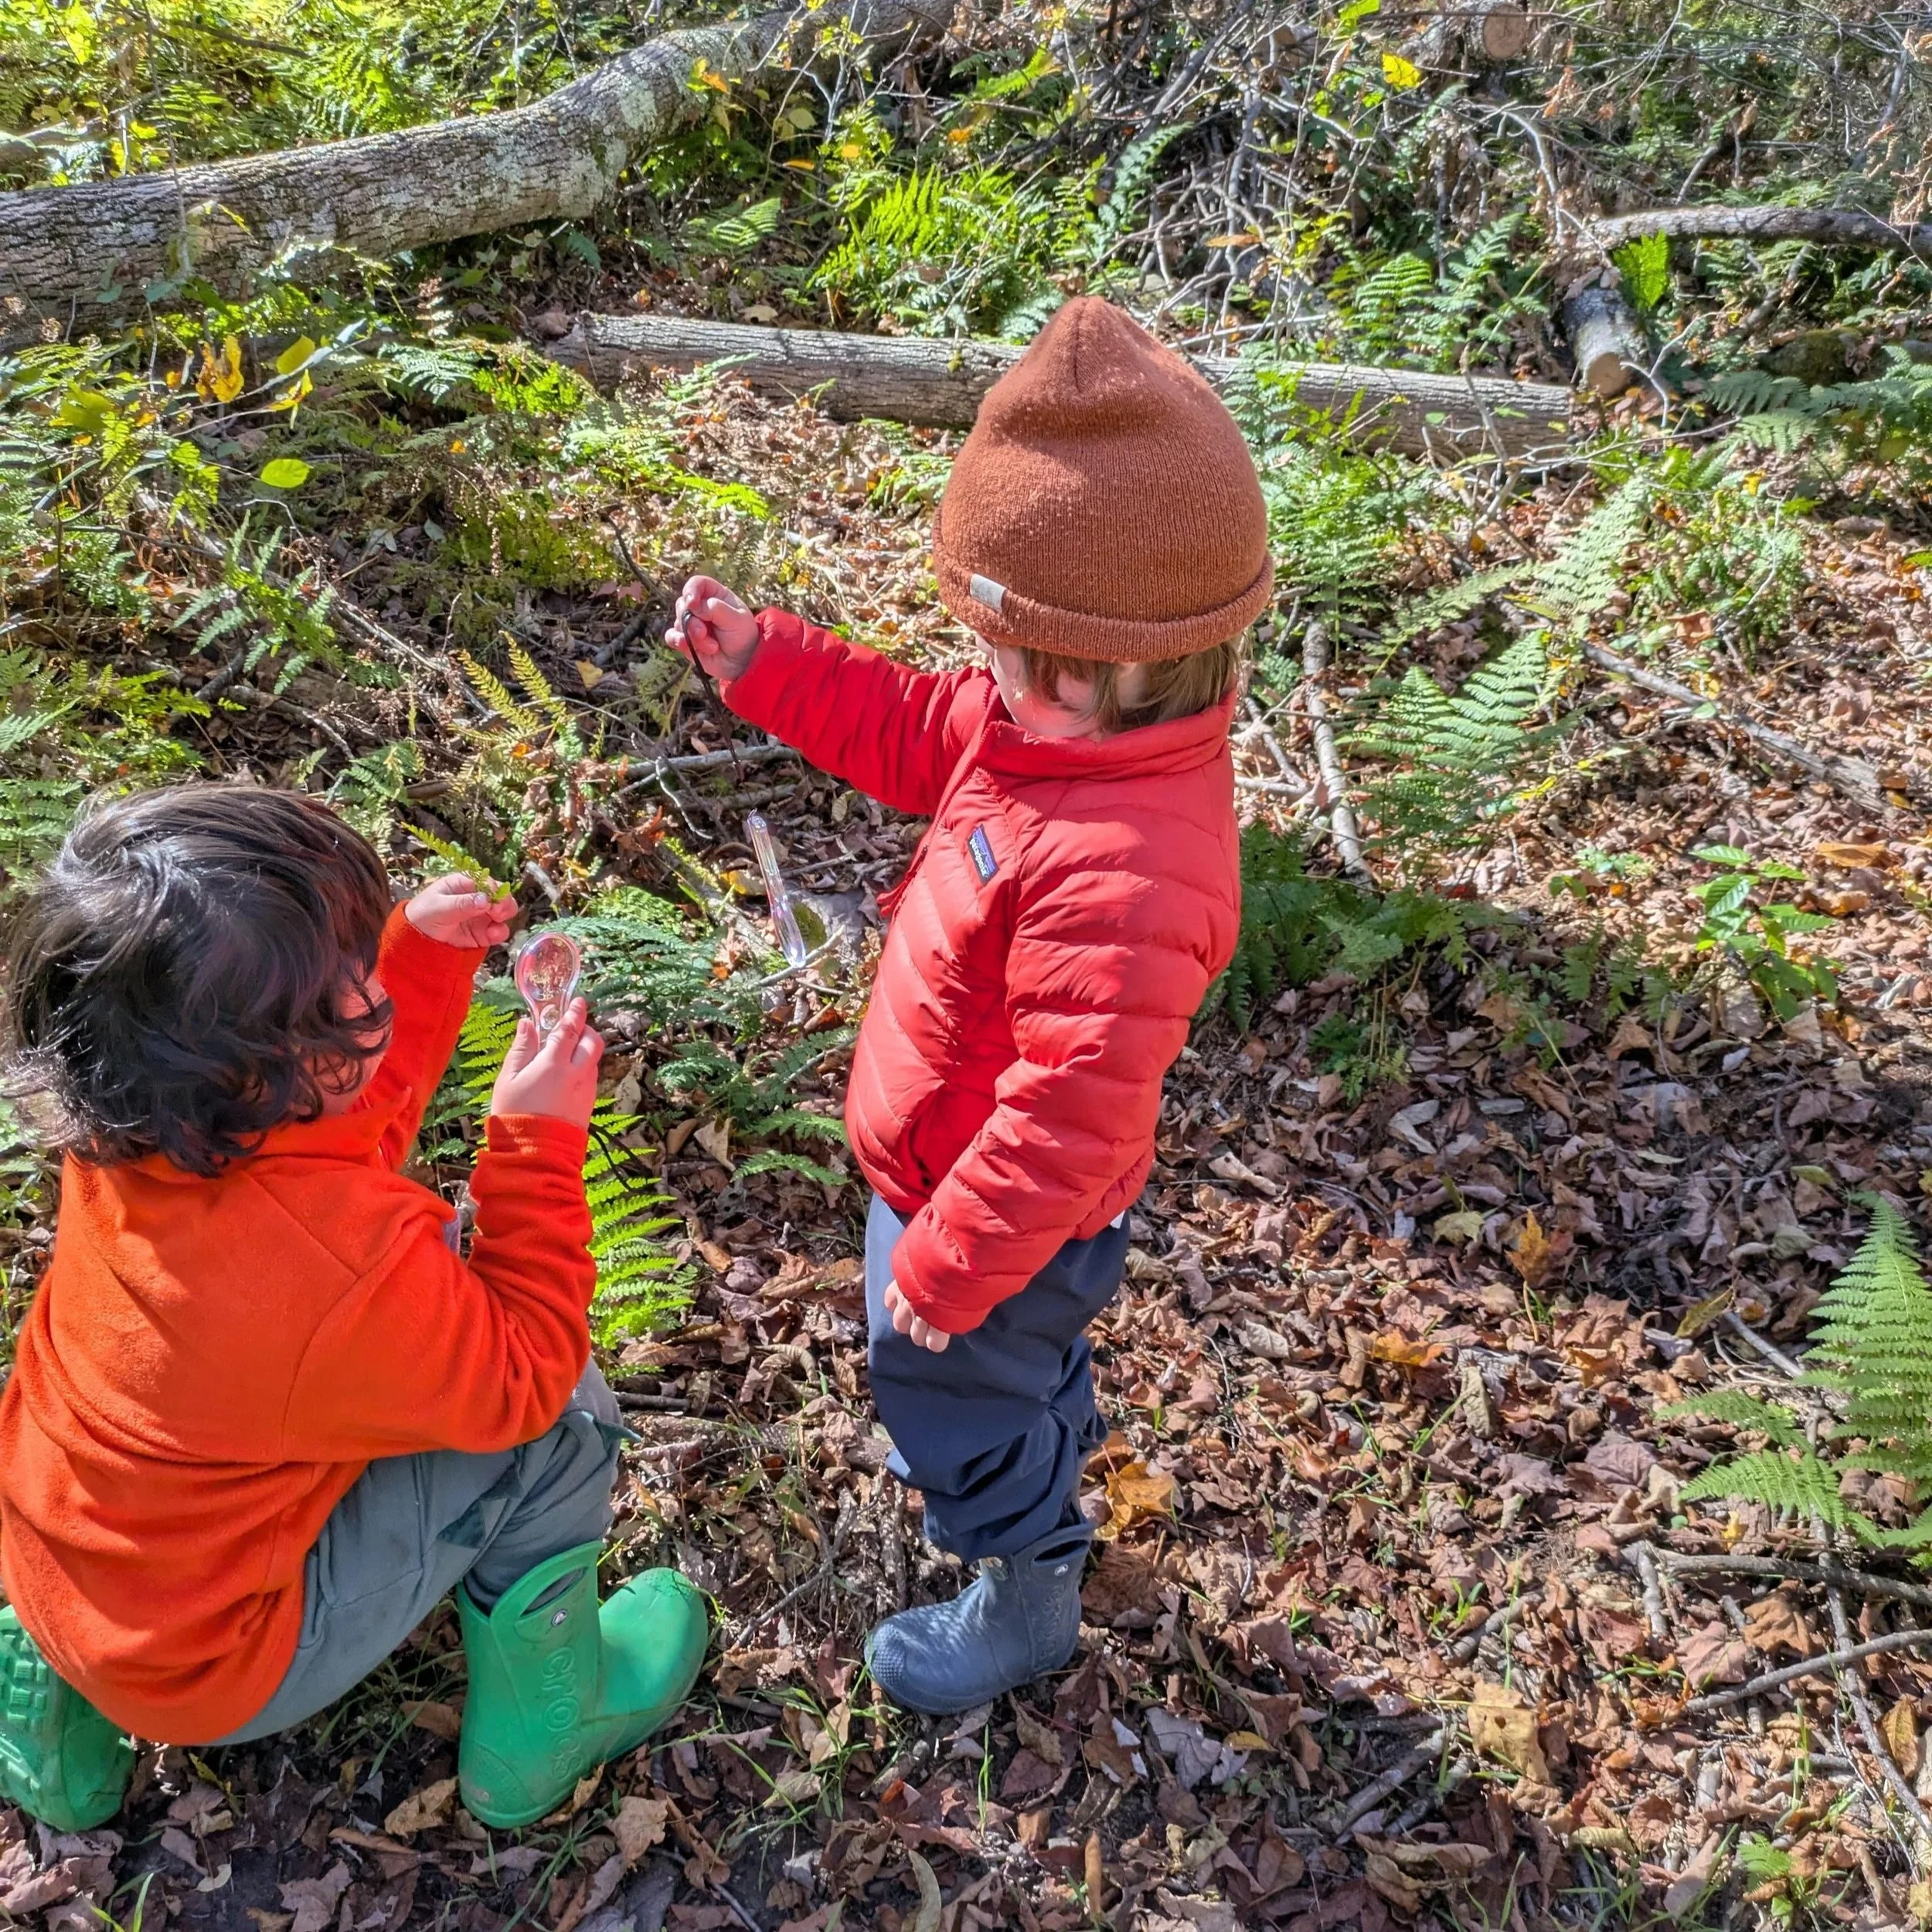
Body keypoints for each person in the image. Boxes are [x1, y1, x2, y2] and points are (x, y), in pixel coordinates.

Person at [666, 296, 1268, 1713]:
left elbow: (1066, 1117)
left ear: (1130, 657)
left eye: (1020, 659)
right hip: (946, 1180)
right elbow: (903, 724)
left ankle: (1026, 1584)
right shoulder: (1040, 735)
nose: (987, 683)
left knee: (949, 1382)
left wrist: (941, 1275)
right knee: (1007, 1374)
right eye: (989, 648)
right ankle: (1023, 1442)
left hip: (999, 1215)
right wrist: (768, 661)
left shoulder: (1133, 862)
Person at [0, 785, 706, 1832]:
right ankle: (550, 1726)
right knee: (570, 1418)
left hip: (55, 1562)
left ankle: (48, 1731)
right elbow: (523, 1374)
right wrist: (536, 1151)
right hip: (214, 1666)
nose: (370, 973)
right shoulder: (330, 1275)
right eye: (352, 979)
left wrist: (413, 970)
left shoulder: (137, 1117)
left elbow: (330, 1134)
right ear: (273, 1067)